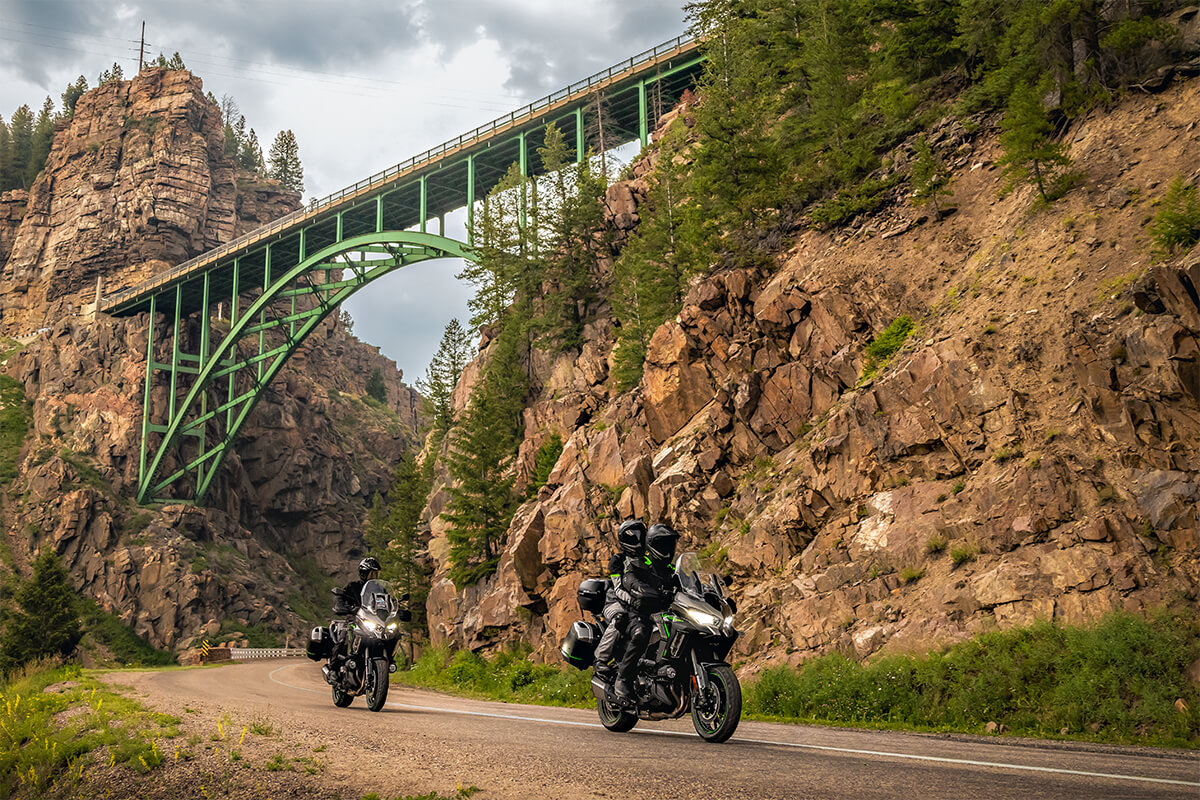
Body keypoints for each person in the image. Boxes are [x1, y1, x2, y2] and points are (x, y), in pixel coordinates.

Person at [612, 523, 680, 704]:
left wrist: (708, 592)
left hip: (664, 614)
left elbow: (687, 585)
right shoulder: (639, 564)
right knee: (641, 633)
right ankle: (622, 679)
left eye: (670, 544)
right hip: (639, 614)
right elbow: (629, 578)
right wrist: (639, 588)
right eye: (664, 544)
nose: (668, 549)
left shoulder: (672, 570)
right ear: (652, 545)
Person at [592, 518, 647, 681]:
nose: (638, 540)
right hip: (615, 602)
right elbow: (619, 588)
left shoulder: (647, 560)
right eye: (634, 536)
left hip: (640, 604)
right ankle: (601, 659)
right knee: (620, 618)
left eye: (640, 536)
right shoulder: (618, 560)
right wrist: (634, 601)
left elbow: (669, 572)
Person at [325, 556, 381, 682]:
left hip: (374, 621)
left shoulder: (380, 590)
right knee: (343, 637)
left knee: (392, 634)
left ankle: (387, 664)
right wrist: (341, 605)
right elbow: (341, 597)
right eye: (371, 574)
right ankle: (333, 669)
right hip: (354, 619)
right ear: (363, 573)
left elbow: (388, 602)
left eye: (376, 574)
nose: (374, 577)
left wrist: (398, 610)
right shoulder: (353, 586)